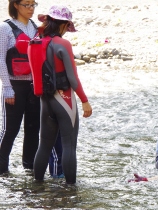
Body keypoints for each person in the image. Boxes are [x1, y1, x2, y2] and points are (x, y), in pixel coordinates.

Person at [32, 5, 92, 184]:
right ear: (65, 25)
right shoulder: (63, 44)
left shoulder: (35, 42)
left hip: (45, 99)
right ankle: (71, 189)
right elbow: (73, 79)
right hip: (64, 99)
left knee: (44, 145)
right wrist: (84, 101)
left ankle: (37, 186)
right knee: (68, 145)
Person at [0, 0, 41, 174]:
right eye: (27, 5)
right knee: (10, 129)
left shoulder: (36, 28)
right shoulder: (5, 28)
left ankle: (29, 167)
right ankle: (2, 169)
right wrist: (7, 87)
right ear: (15, 5)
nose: (31, 9)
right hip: (14, 85)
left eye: (33, 4)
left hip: (34, 86)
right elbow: (1, 59)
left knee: (33, 128)